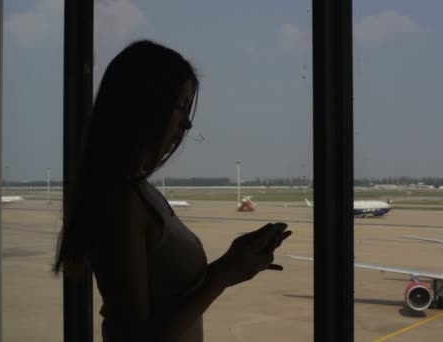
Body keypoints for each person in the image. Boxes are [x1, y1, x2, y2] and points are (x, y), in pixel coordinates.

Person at [53, 40, 291, 342]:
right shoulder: (120, 202)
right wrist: (221, 275)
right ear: (144, 106)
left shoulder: (138, 193)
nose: (188, 124)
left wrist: (233, 262)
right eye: (179, 107)